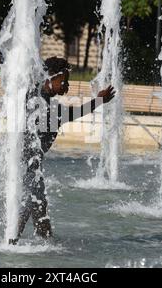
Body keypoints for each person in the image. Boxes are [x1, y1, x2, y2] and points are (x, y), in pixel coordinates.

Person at [10, 57, 115, 244]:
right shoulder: (38, 99)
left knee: (37, 204)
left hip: (31, 162)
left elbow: (70, 114)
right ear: (51, 77)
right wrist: (98, 101)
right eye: (64, 81)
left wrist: (98, 101)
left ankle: (41, 242)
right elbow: (69, 113)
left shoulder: (44, 100)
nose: (67, 87)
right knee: (33, 201)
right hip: (28, 162)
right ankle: (13, 241)